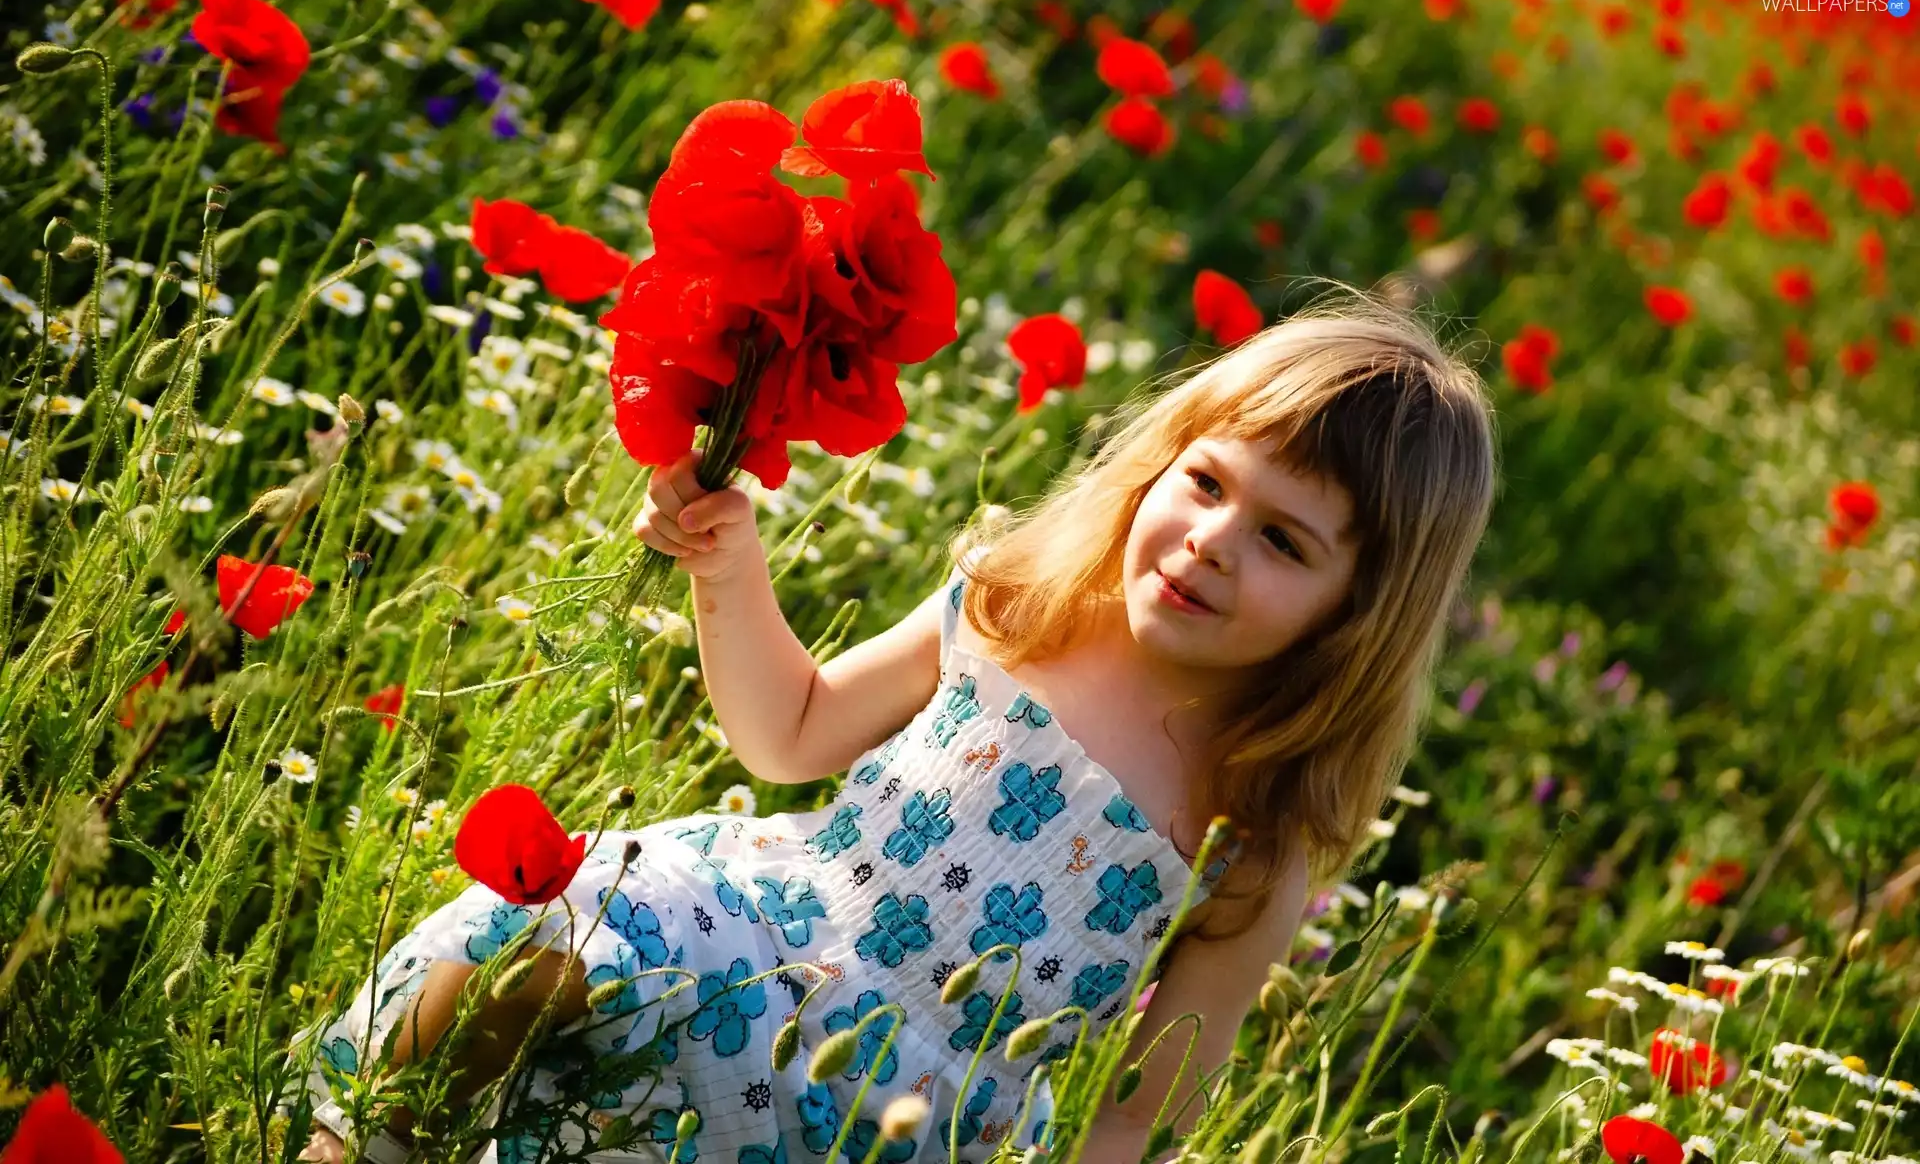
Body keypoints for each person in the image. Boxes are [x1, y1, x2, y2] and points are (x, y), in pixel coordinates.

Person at [293, 283, 1497, 1163]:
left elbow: (1141, 1112)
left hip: (905, 1122)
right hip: (762, 944)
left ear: (1359, 613)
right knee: (553, 931)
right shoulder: (1015, 611)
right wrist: (729, 570)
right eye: (1207, 482)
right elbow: (791, 735)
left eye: (1284, 541)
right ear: (1161, 464)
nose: (1211, 543)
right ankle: (369, 1141)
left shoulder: (1251, 834)